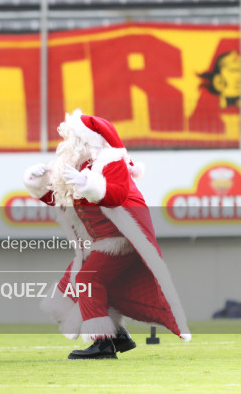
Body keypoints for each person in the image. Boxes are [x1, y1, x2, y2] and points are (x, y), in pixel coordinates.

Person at [23, 109, 190, 359]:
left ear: (87, 140)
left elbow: (116, 195)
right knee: (67, 290)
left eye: (72, 137)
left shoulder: (110, 162)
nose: (67, 142)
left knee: (87, 281)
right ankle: (117, 335)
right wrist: (37, 183)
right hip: (96, 243)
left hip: (119, 239)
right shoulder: (75, 165)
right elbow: (60, 199)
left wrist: (87, 185)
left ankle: (102, 344)